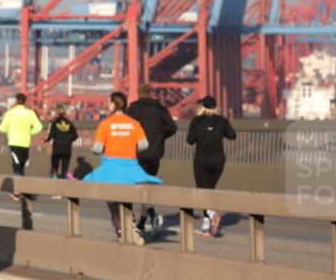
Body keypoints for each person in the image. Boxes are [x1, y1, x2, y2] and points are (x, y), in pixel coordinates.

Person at [84, 92, 160, 245]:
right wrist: (131, 150)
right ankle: (134, 228)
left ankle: (120, 234)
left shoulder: (105, 124)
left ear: (114, 104)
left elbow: (98, 149)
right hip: (130, 167)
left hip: (110, 168)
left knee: (112, 204)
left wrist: (93, 149)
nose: (108, 105)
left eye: (109, 102)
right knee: (126, 199)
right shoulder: (134, 123)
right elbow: (144, 145)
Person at [127, 83, 178, 239]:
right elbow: (172, 127)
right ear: (151, 93)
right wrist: (160, 137)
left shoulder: (133, 110)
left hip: (138, 153)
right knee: (147, 187)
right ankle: (142, 222)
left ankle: (153, 216)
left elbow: (127, 128)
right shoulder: (160, 109)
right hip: (156, 153)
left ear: (138, 93)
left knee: (141, 187)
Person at [187, 96, 237, 238]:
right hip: (218, 160)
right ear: (215, 107)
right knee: (210, 189)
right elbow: (233, 135)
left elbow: (190, 141)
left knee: (203, 191)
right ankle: (207, 222)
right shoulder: (222, 121)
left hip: (201, 160)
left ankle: (210, 216)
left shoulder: (196, 121)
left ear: (202, 106)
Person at [0, 93, 43, 199]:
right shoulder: (30, 113)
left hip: (14, 142)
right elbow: (39, 127)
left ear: (16, 101)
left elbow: (2, 128)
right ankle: (23, 189)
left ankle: (18, 191)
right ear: (25, 101)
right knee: (21, 167)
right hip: (25, 143)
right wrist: (29, 132)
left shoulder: (10, 113)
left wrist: (11, 130)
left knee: (17, 167)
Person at [45, 103, 78, 183]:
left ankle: (54, 185)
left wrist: (47, 140)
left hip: (57, 148)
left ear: (57, 112)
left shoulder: (54, 122)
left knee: (54, 168)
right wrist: (69, 140)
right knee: (65, 170)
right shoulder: (69, 123)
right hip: (67, 148)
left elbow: (51, 135)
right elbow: (75, 136)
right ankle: (67, 181)